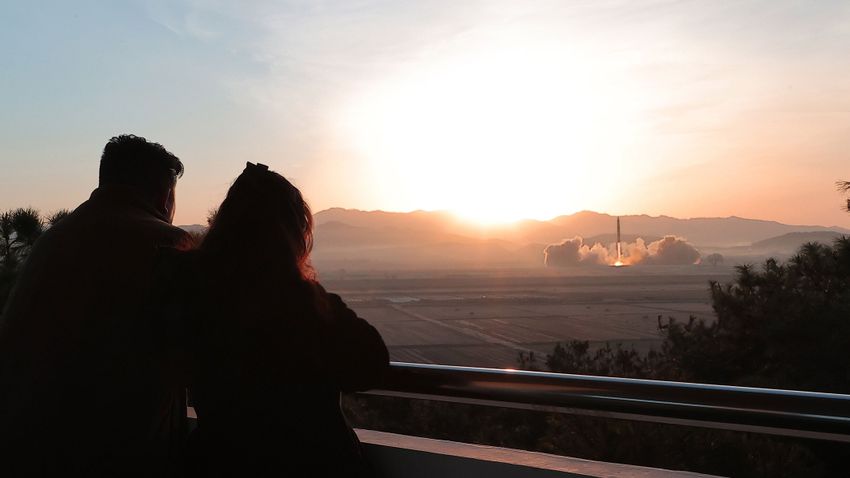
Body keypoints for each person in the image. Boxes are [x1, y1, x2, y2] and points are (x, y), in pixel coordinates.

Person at [167, 162, 388, 477]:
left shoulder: (187, 292)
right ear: (292, 234)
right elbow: (371, 366)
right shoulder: (303, 303)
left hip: (218, 459)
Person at [0, 135, 192, 476]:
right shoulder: (168, 246)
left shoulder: (53, 240)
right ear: (165, 196)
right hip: (115, 455)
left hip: (25, 446)